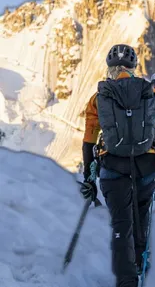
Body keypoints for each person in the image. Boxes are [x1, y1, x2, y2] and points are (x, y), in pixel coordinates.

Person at [80, 44, 155, 287]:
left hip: (113, 169)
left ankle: (127, 281)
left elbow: (89, 140)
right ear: (134, 67)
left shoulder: (99, 97)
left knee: (122, 226)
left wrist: (89, 178)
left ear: (110, 68)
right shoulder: (148, 92)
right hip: (146, 166)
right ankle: (142, 265)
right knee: (141, 220)